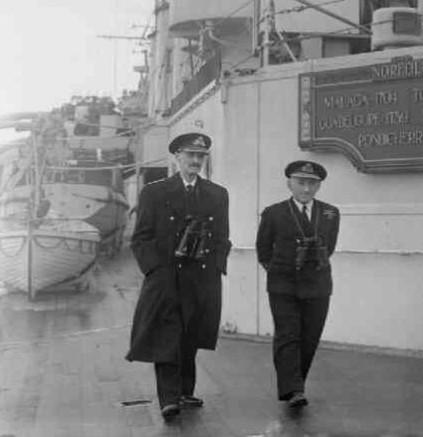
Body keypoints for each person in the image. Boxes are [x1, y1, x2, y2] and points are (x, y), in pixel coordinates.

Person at [126, 132, 231, 420]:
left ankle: (185, 391)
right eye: (190, 155)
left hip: (201, 279)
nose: (196, 161)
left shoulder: (217, 194)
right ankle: (169, 399)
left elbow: (223, 237)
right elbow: (141, 239)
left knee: (191, 337)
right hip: (166, 279)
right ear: (177, 158)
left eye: (201, 156)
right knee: (166, 337)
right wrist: (155, 271)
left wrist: (216, 266)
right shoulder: (154, 193)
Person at [256, 160, 340, 408]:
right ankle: (292, 389)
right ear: (289, 184)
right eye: (300, 182)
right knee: (288, 335)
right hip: (283, 285)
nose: (306, 189)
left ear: (318, 186)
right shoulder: (273, 213)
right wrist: (277, 271)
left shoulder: (330, 213)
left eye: (312, 183)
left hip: (318, 284)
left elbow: (330, 247)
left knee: (310, 337)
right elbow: (263, 249)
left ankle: (296, 384)